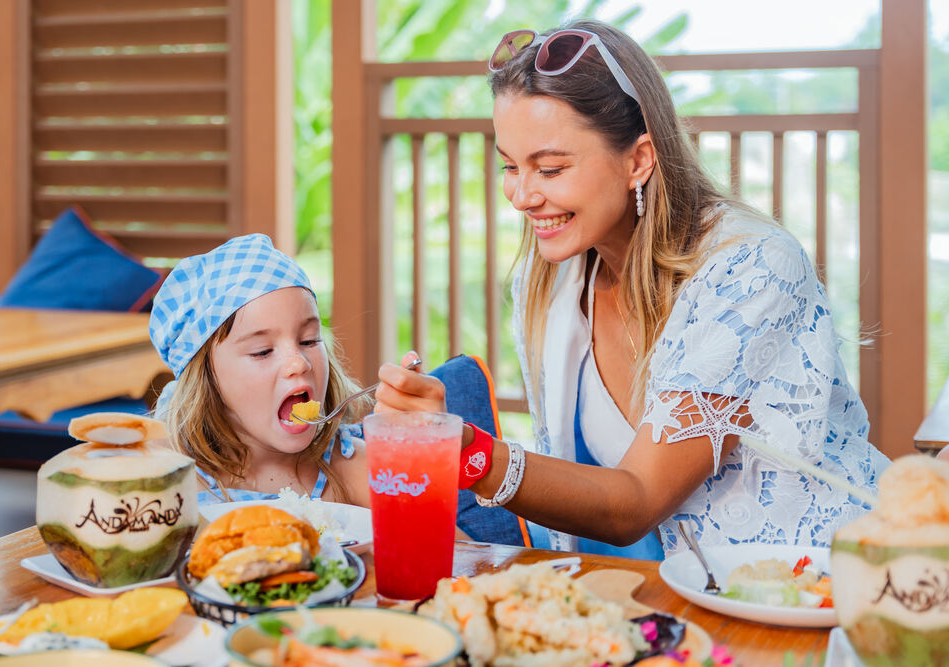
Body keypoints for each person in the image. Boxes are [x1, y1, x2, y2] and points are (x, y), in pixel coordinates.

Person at [374, 20, 890, 557]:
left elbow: (636, 502)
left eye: (549, 169)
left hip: (815, 589)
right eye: (510, 166)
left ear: (638, 159)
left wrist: (472, 454)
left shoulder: (752, 269)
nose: (522, 196)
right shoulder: (550, 279)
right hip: (658, 600)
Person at [149, 234, 372, 506]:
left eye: (309, 340)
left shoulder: (354, 468)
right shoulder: (164, 479)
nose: (299, 363)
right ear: (206, 378)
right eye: (262, 351)